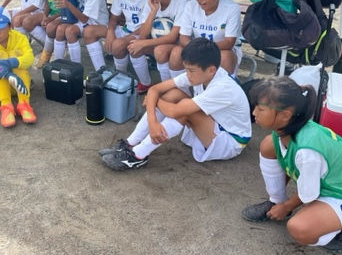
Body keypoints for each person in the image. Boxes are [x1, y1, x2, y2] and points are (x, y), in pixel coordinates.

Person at [241, 76, 342, 253]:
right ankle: (275, 201)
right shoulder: (288, 130)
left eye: (260, 109)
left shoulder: (307, 151)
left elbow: (309, 193)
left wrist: (287, 207)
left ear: (285, 115)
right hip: (331, 181)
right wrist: (281, 204)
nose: (254, 113)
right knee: (268, 145)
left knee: (299, 229)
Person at [99, 38, 251, 171]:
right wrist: (152, 121)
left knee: (184, 108)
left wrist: (155, 100)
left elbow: (174, 110)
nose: (187, 74)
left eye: (191, 70)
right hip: (214, 124)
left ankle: (137, 156)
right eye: (186, 69)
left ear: (211, 70)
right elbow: (155, 89)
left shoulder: (222, 87)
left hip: (231, 141)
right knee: (173, 95)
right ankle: (130, 143)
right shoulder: (202, 72)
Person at [87, 0, 151, 93]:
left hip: (142, 34)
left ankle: (144, 83)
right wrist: (110, 31)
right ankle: (109, 74)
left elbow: (146, 27)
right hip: (126, 30)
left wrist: (124, 39)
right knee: (89, 31)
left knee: (118, 45)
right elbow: (114, 18)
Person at [169, 0, 242, 77]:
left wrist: (203, 50)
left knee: (225, 57)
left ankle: (220, 88)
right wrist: (197, 50)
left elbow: (229, 42)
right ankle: (182, 87)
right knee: (176, 54)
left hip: (220, 50)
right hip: (195, 48)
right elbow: (183, 37)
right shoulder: (190, 6)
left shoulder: (232, 8)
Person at [127, 0, 188, 82]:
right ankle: (145, 83)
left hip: (177, 44)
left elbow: (173, 37)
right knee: (134, 48)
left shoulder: (181, 2)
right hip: (158, 42)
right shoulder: (151, 1)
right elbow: (143, 35)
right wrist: (153, 12)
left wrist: (143, 43)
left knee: (159, 51)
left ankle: (169, 86)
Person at [0, 6, 36, 128]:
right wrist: (8, 74)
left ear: (10, 26)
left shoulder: (20, 38)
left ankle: (24, 104)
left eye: (0, 28)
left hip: (19, 85)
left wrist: (11, 63)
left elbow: (29, 58)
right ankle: (6, 105)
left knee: (17, 59)